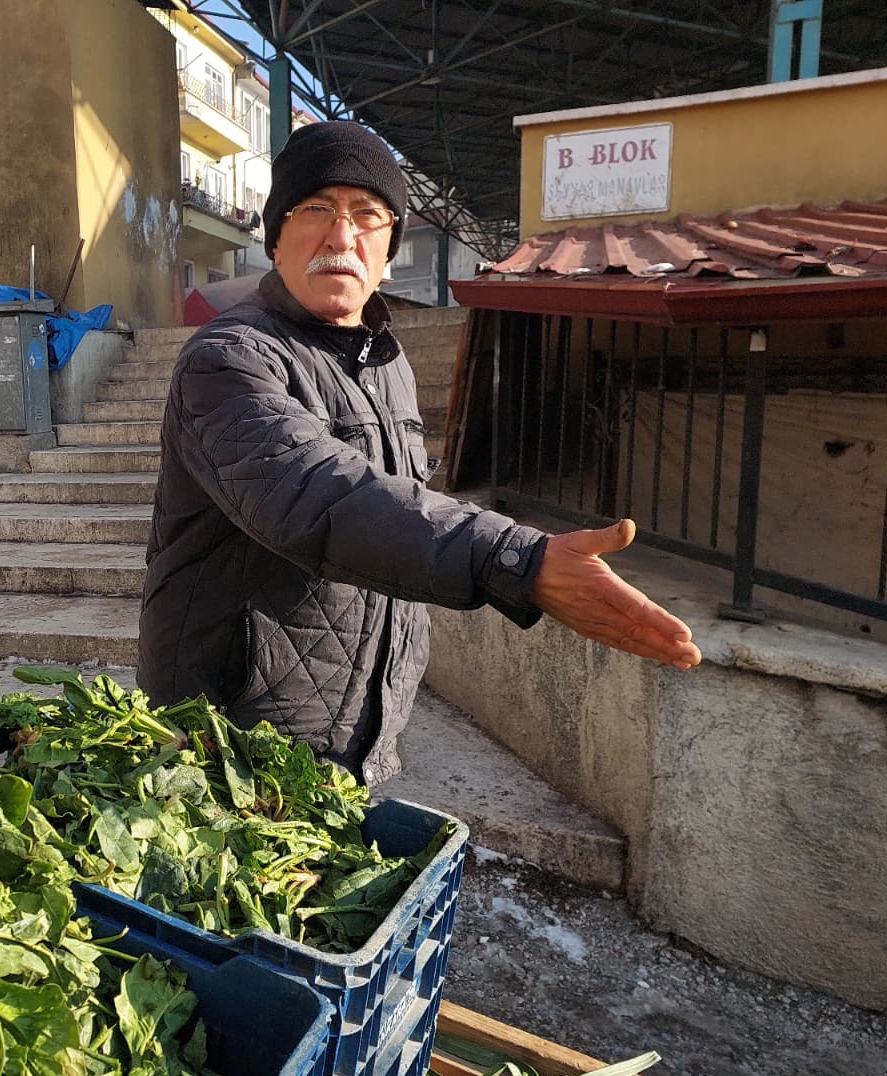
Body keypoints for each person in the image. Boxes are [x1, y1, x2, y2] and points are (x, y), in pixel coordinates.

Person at [138, 120, 701, 786]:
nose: (341, 236)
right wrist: (510, 557)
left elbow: (406, 503)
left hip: (352, 737)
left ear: (389, 247)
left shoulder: (386, 361)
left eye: (367, 216)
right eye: (316, 209)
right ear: (276, 236)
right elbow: (320, 496)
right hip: (230, 744)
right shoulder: (228, 359)